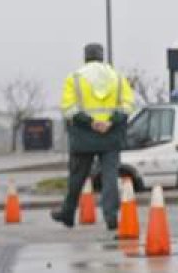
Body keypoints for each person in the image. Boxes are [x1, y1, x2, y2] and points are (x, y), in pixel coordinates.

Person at [51, 42, 134, 230]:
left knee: (77, 177)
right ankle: (111, 217)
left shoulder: (75, 78)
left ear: (85, 57)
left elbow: (69, 108)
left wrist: (91, 122)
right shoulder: (118, 77)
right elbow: (128, 105)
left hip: (84, 136)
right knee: (110, 177)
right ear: (102, 56)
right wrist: (111, 121)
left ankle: (68, 213)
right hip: (111, 135)